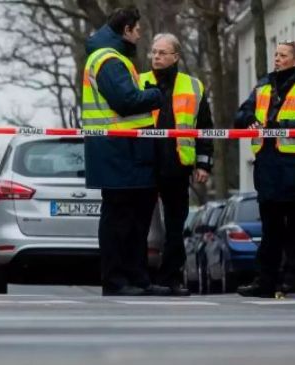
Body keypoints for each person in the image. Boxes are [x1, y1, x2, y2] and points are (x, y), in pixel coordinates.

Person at [82, 7, 169, 296]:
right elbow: (126, 101)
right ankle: (117, 280)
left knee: (135, 219)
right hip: (118, 152)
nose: (140, 34)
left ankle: (137, 278)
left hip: (128, 152)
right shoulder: (108, 60)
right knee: (120, 219)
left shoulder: (113, 58)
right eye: (137, 29)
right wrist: (156, 94)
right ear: (126, 30)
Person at [139, 33, 214, 296]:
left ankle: (170, 278)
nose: (156, 57)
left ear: (175, 56)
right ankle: (141, 279)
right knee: (140, 225)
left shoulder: (193, 86)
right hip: (144, 164)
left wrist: (204, 164)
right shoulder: (139, 82)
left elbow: (205, 128)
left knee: (174, 226)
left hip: (177, 165)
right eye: (153, 52)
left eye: (162, 52)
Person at [234, 41, 295, 297]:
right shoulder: (263, 85)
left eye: (283, 55)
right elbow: (242, 114)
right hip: (268, 169)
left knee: (294, 231)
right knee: (270, 230)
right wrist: (250, 120)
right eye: (276, 54)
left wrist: (282, 123)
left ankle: (292, 280)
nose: (277, 59)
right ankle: (265, 281)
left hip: (293, 168)